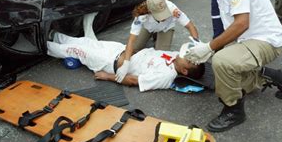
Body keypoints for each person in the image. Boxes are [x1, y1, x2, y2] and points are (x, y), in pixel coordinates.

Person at [184, 0, 282, 132]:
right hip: (250, 39)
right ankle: (280, 77)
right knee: (228, 72)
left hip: (266, 40)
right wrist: (211, 48)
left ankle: (234, 111)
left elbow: (242, 24)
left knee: (221, 62)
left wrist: (209, 48)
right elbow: (232, 29)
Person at [47, 33, 205, 91]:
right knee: (85, 42)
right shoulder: (177, 56)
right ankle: (54, 35)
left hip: (110, 63)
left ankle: (43, 46)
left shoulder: (165, 76)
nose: (187, 56)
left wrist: (107, 76)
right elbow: (197, 46)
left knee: (75, 50)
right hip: (121, 50)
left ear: (184, 71)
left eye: (190, 60)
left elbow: (133, 80)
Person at [120, 0, 199, 83]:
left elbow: (190, 26)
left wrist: (195, 45)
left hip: (166, 28)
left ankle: (157, 36)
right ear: (149, 11)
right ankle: (153, 35)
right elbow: (131, 40)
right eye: (159, 15)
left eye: (164, 13)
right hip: (148, 28)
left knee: (161, 54)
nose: (164, 18)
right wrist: (126, 63)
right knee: (134, 49)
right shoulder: (141, 16)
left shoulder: (173, 9)